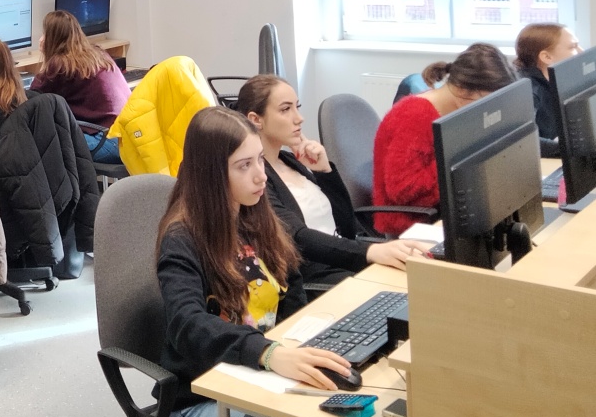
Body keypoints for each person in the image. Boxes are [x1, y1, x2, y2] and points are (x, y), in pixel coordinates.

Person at [157, 107, 397, 417]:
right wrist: (267, 353)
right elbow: (188, 323)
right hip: (204, 398)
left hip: (266, 376)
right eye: (244, 166)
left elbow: (291, 280)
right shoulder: (181, 239)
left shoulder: (253, 213)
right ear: (210, 174)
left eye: (259, 160)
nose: (261, 175)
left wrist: (300, 344)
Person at [236, 75, 430, 278]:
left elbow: (347, 228)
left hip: (344, 260)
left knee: (425, 272)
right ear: (255, 120)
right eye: (285, 109)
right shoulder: (257, 179)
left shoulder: (291, 161)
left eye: (297, 107)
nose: (299, 118)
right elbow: (298, 238)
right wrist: (370, 252)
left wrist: (325, 172)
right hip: (318, 275)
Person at [373, 43, 519, 236]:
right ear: (463, 91)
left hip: (450, 212)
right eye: (487, 100)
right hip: (413, 228)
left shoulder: (456, 113)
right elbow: (402, 191)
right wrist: (457, 161)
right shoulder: (414, 116)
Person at [30, 10, 131, 163]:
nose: (41, 39)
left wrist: (46, 56)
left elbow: (32, 99)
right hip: (128, 138)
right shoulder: (98, 53)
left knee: (42, 140)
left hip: (107, 142)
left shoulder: (60, 65)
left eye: (44, 34)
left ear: (52, 38)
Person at [514, 23, 583, 157]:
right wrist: (574, 150)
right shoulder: (528, 90)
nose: (581, 51)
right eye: (573, 47)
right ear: (546, 57)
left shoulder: (561, 80)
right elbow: (524, 141)